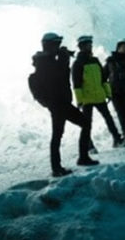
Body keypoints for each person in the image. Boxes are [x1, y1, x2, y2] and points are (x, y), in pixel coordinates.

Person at [30, 32, 99, 177]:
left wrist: (62, 57)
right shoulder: (46, 63)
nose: (59, 47)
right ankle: (60, 166)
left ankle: (81, 158)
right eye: (57, 44)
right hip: (58, 104)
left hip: (62, 103)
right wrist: (64, 58)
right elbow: (59, 75)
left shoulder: (50, 60)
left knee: (78, 127)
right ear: (50, 45)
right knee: (59, 134)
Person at [72, 35, 125, 148]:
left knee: (108, 118)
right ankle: (89, 145)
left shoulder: (95, 60)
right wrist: (80, 100)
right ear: (81, 47)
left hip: (99, 96)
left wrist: (108, 93)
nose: (90, 46)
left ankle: (117, 139)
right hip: (87, 99)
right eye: (88, 45)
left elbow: (103, 79)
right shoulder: (77, 64)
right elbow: (76, 84)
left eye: (90, 44)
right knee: (87, 123)